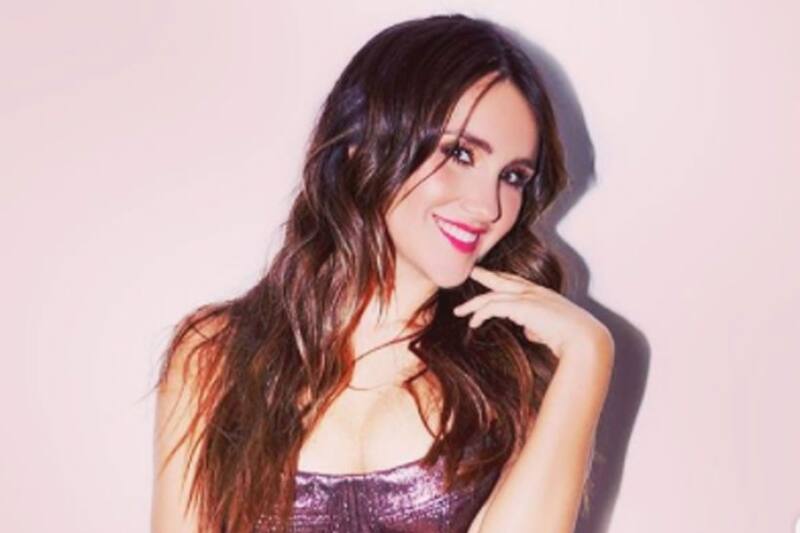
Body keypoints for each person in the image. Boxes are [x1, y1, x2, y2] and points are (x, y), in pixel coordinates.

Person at [151, 12, 614, 533]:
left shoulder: (509, 370)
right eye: (460, 153)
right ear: (364, 141)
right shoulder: (214, 355)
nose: (489, 206)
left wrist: (588, 356)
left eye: (513, 176)